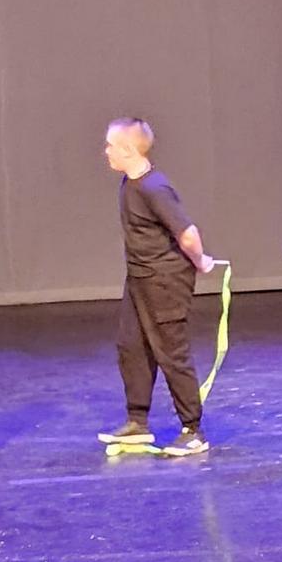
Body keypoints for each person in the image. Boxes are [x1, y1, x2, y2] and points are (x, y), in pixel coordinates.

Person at [97, 117, 215, 456]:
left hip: (165, 282)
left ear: (128, 149)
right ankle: (138, 423)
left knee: (171, 353)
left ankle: (193, 430)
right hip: (139, 279)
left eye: (111, 146)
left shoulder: (154, 188)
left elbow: (187, 234)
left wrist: (200, 261)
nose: (106, 151)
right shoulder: (130, 183)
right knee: (131, 346)